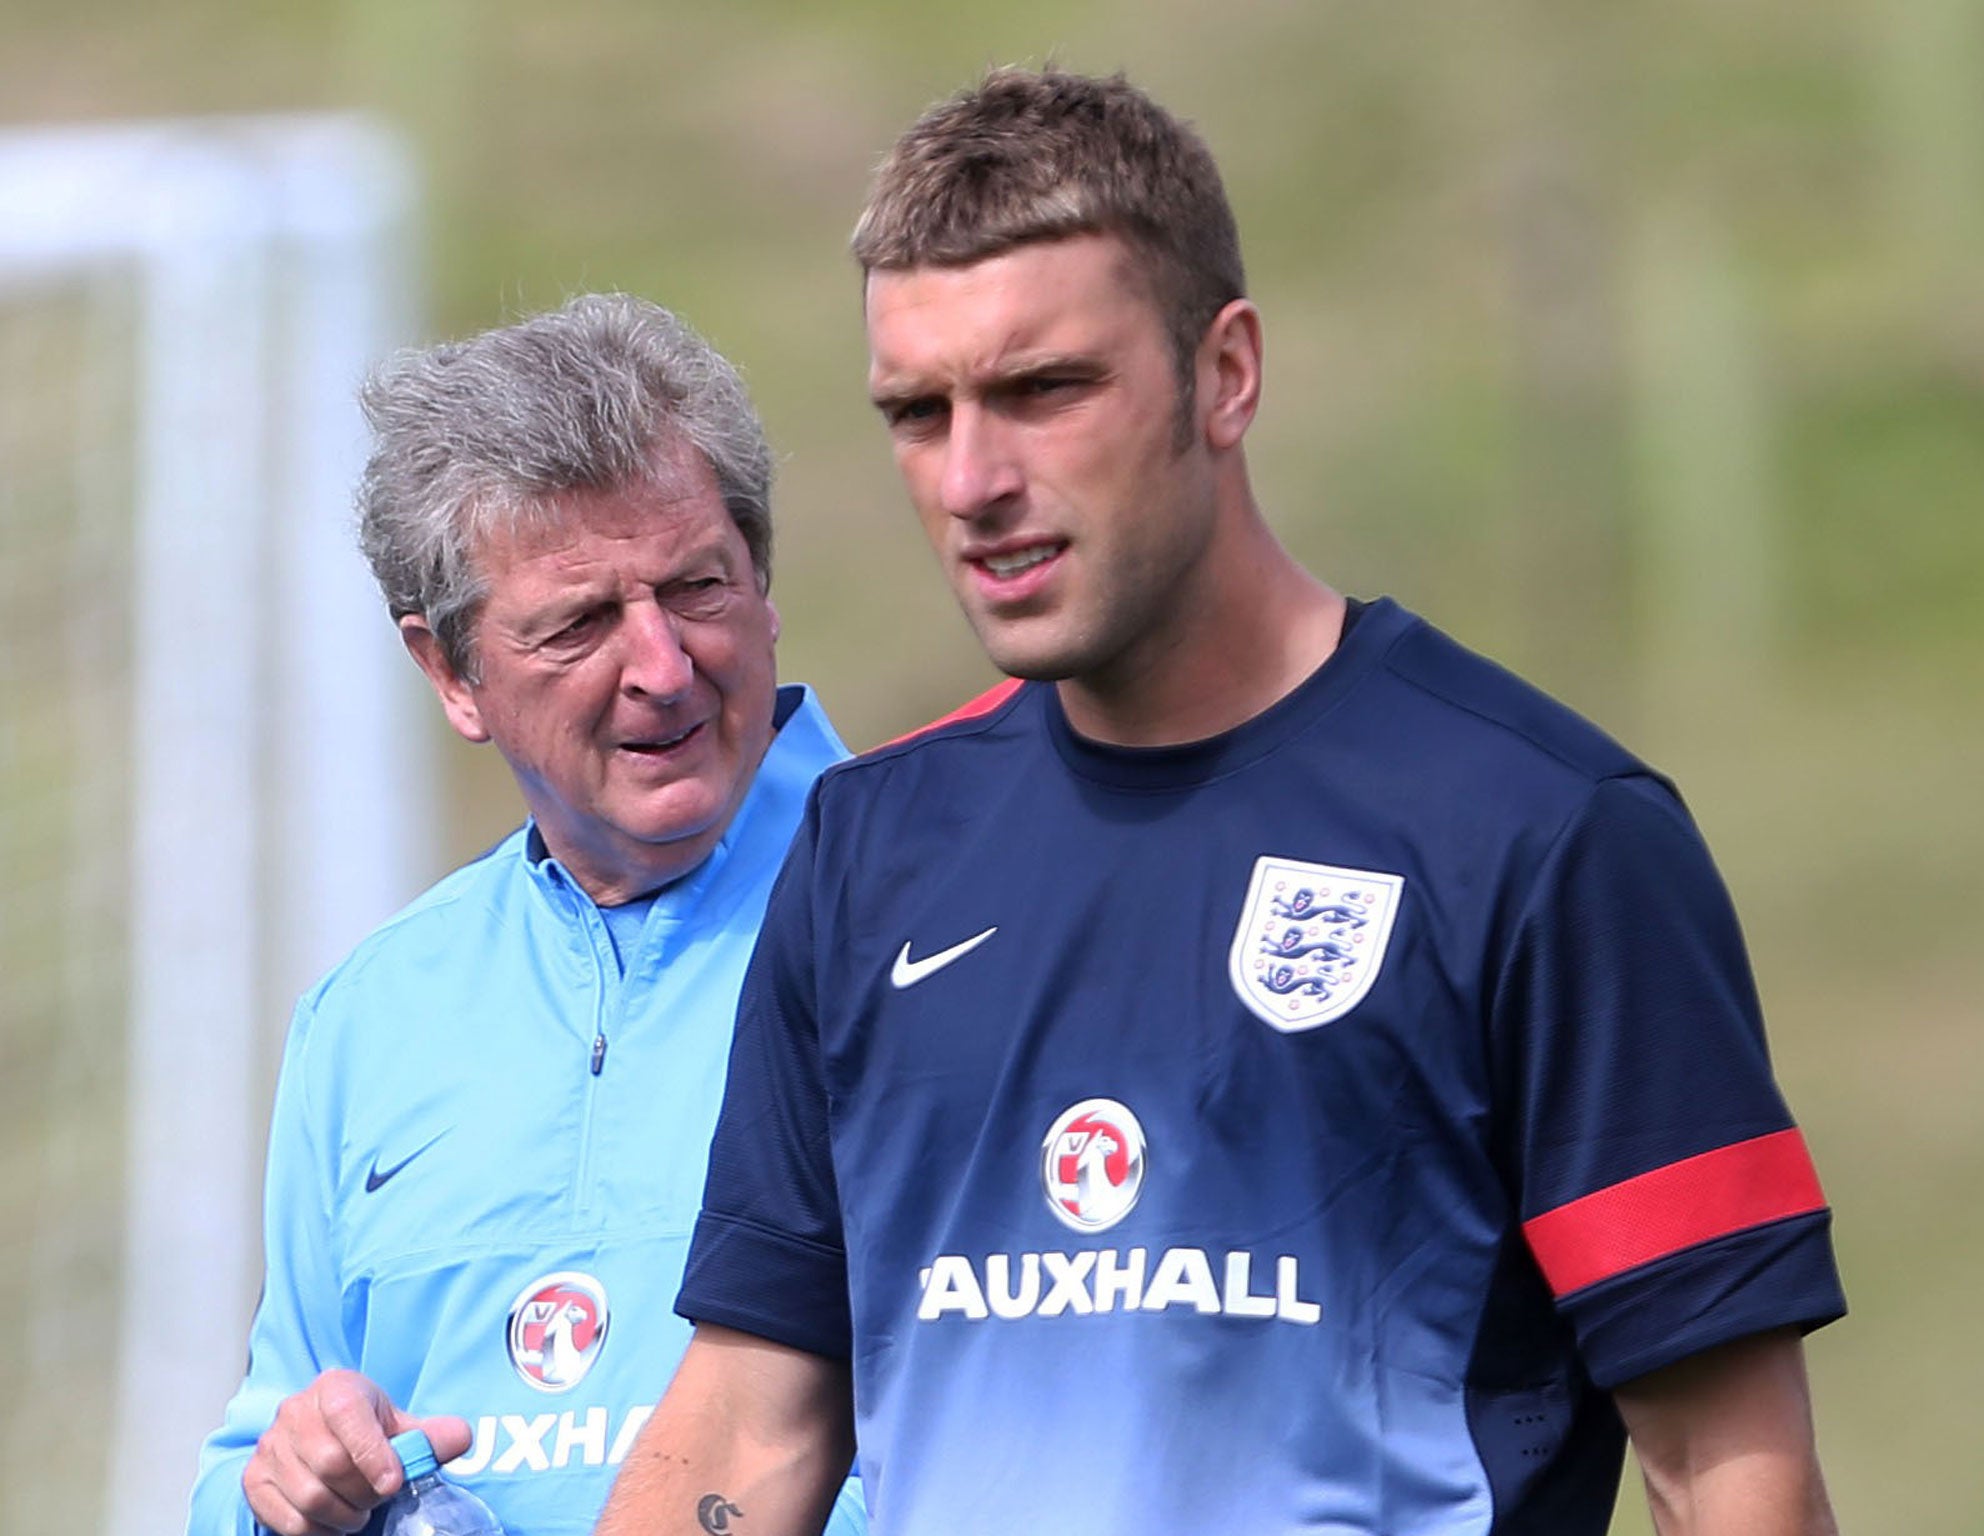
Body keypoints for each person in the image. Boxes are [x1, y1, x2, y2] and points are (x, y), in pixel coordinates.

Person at [597, 69, 1845, 1536]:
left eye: (1044, 389)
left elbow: (1729, 1475)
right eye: (918, 414)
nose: (974, 477)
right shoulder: (872, 853)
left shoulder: (1544, 832)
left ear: (1226, 373)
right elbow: (750, 1422)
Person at [185, 294, 866, 1536]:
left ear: (762, 582)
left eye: (696, 588)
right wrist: (284, 1485)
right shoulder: (370, 1014)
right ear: (449, 673)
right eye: (578, 625)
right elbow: (250, 1452)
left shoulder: (942, 922)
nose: (661, 666)